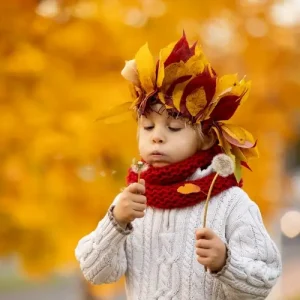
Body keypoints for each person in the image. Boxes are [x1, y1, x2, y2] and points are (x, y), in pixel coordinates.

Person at [75, 33, 281, 300]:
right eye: (147, 127)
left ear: (206, 138)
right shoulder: (132, 202)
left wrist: (225, 263)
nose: (157, 136)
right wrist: (116, 222)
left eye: (173, 128)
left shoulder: (230, 202)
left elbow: (263, 283)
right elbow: (97, 273)